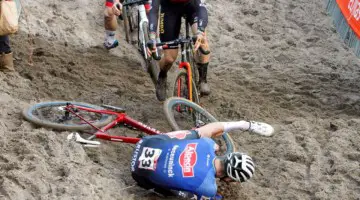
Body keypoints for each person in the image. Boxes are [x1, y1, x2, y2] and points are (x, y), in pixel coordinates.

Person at [131, 120, 274, 199]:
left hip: (145, 143)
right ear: (230, 179)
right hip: (138, 173)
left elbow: (210, 133)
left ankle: (244, 124)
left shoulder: (208, 144)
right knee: (185, 194)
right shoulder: (210, 189)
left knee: (196, 134)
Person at [147, 0, 211, 101]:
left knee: (203, 43)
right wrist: (152, 36)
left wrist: (200, 32)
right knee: (169, 59)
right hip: (169, 8)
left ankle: (203, 79)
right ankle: (162, 75)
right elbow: (153, 10)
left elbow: (201, 8)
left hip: (191, 6)